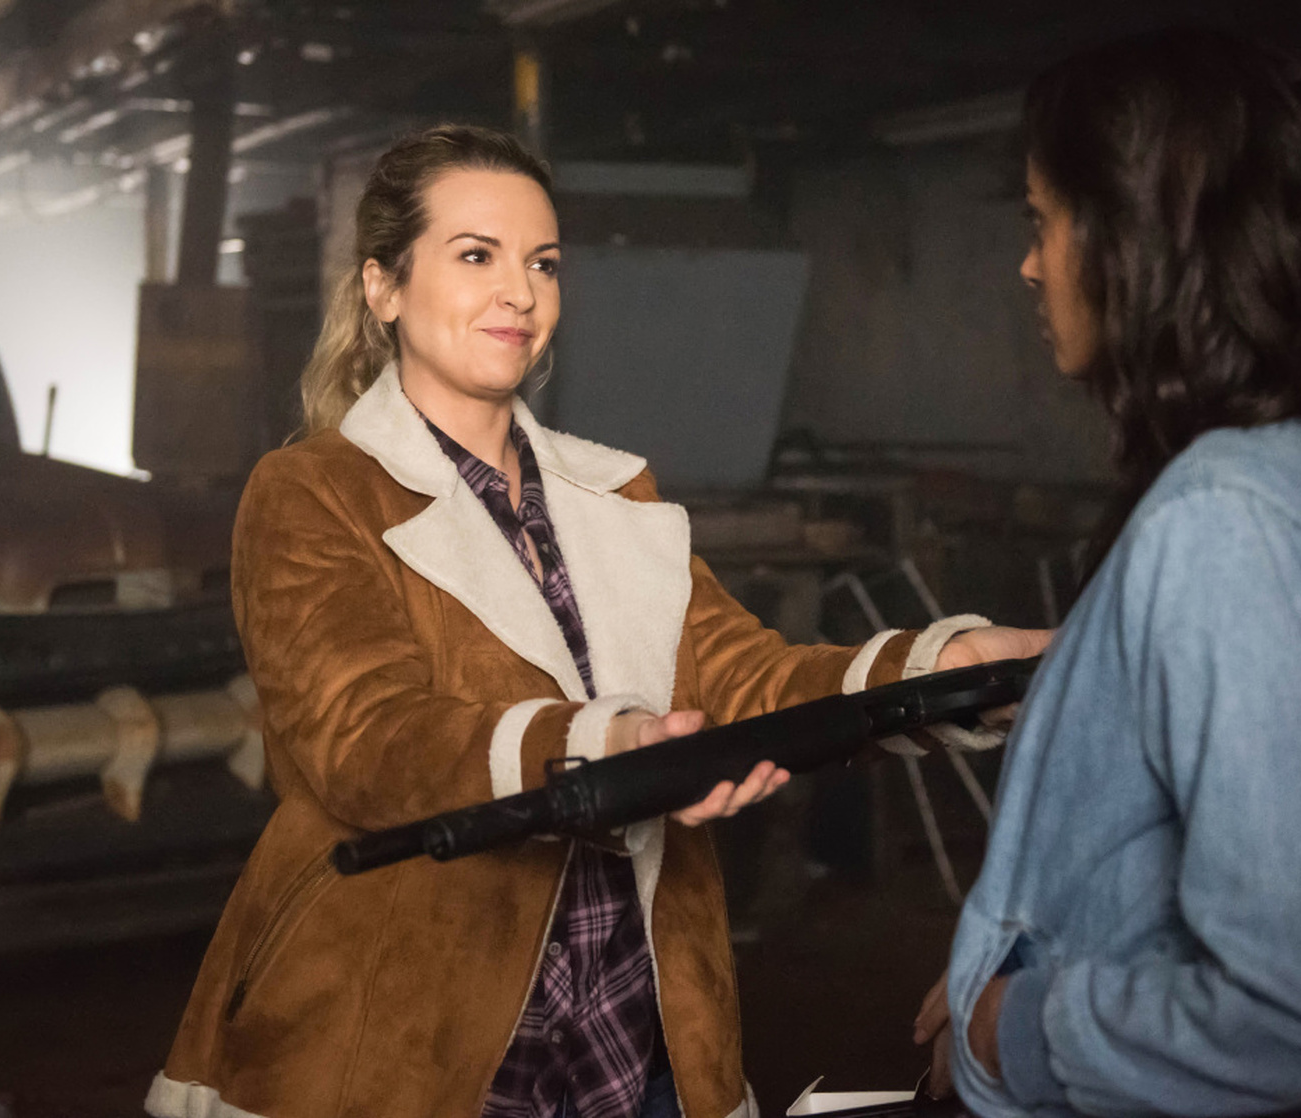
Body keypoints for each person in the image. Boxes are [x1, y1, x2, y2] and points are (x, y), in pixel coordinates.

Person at [146, 125, 1048, 1118]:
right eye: (476, 255)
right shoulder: (313, 492)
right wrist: (596, 749)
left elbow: (743, 674)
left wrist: (942, 668)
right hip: (420, 1043)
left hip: (629, 1030)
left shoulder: (614, 491)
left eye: (542, 263)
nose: (519, 293)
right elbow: (364, 736)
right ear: (383, 286)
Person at [911, 30, 1301, 1118]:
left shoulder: (1216, 524)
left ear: (1135, 238)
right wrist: (1052, 945)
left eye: (1042, 221)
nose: (1029, 265)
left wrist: (1015, 1017)